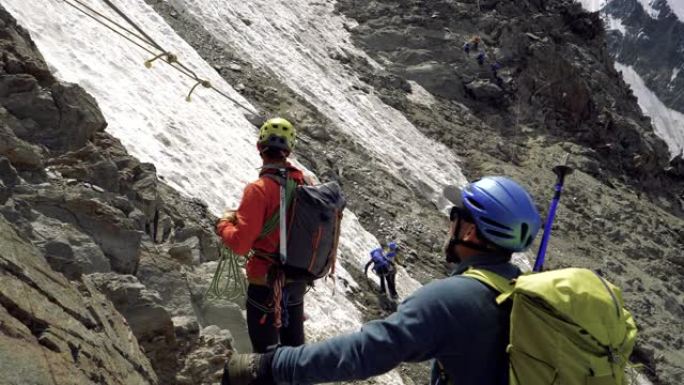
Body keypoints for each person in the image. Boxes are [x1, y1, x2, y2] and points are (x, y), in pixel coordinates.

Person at [221, 176, 542, 385]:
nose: (450, 227)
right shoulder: (525, 293)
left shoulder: (453, 300)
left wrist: (272, 365)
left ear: (469, 232)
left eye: (455, 218)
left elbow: (366, 351)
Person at [216, 117, 310, 354]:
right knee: (295, 354)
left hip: (265, 282)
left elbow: (240, 244)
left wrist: (223, 225)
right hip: (296, 279)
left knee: (267, 355)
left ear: (260, 148)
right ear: (288, 150)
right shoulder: (304, 183)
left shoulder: (258, 190)